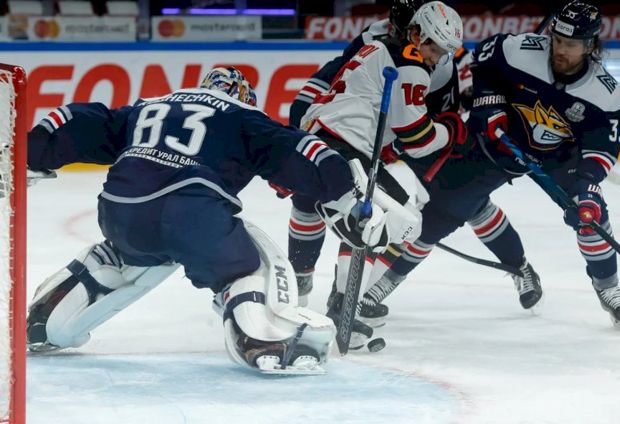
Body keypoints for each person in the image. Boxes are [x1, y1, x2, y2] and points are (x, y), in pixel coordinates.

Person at [24, 67, 394, 374]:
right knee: (246, 266)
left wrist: (31, 150)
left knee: (128, 256)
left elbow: (82, 121)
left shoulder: (150, 105)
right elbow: (297, 149)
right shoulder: (243, 117)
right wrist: (347, 193)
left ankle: (49, 318)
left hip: (121, 210)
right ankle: (268, 338)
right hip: (192, 212)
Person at [367, 0, 620, 330]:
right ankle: (385, 283)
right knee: (445, 208)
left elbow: (600, 152)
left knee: (590, 213)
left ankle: (608, 289)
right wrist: (490, 103)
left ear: (590, 46)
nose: (559, 50)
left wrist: (589, 186)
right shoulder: (521, 49)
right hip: (498, 143)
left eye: (570, 45)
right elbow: (484, 59)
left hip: (559, 156)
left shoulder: (606, 96)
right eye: (557, 40)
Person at [291, 1, 470, 348]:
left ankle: (344, 300)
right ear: (417, 33)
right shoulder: (411, 63)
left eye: (444, 52)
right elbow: (418, 140)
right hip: (342, 149)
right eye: (434, 48)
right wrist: (451, 129)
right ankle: (344, 304)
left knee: (404, 205)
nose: (436, 58)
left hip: (325, 142)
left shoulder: (377, 47)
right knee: (397, 221)